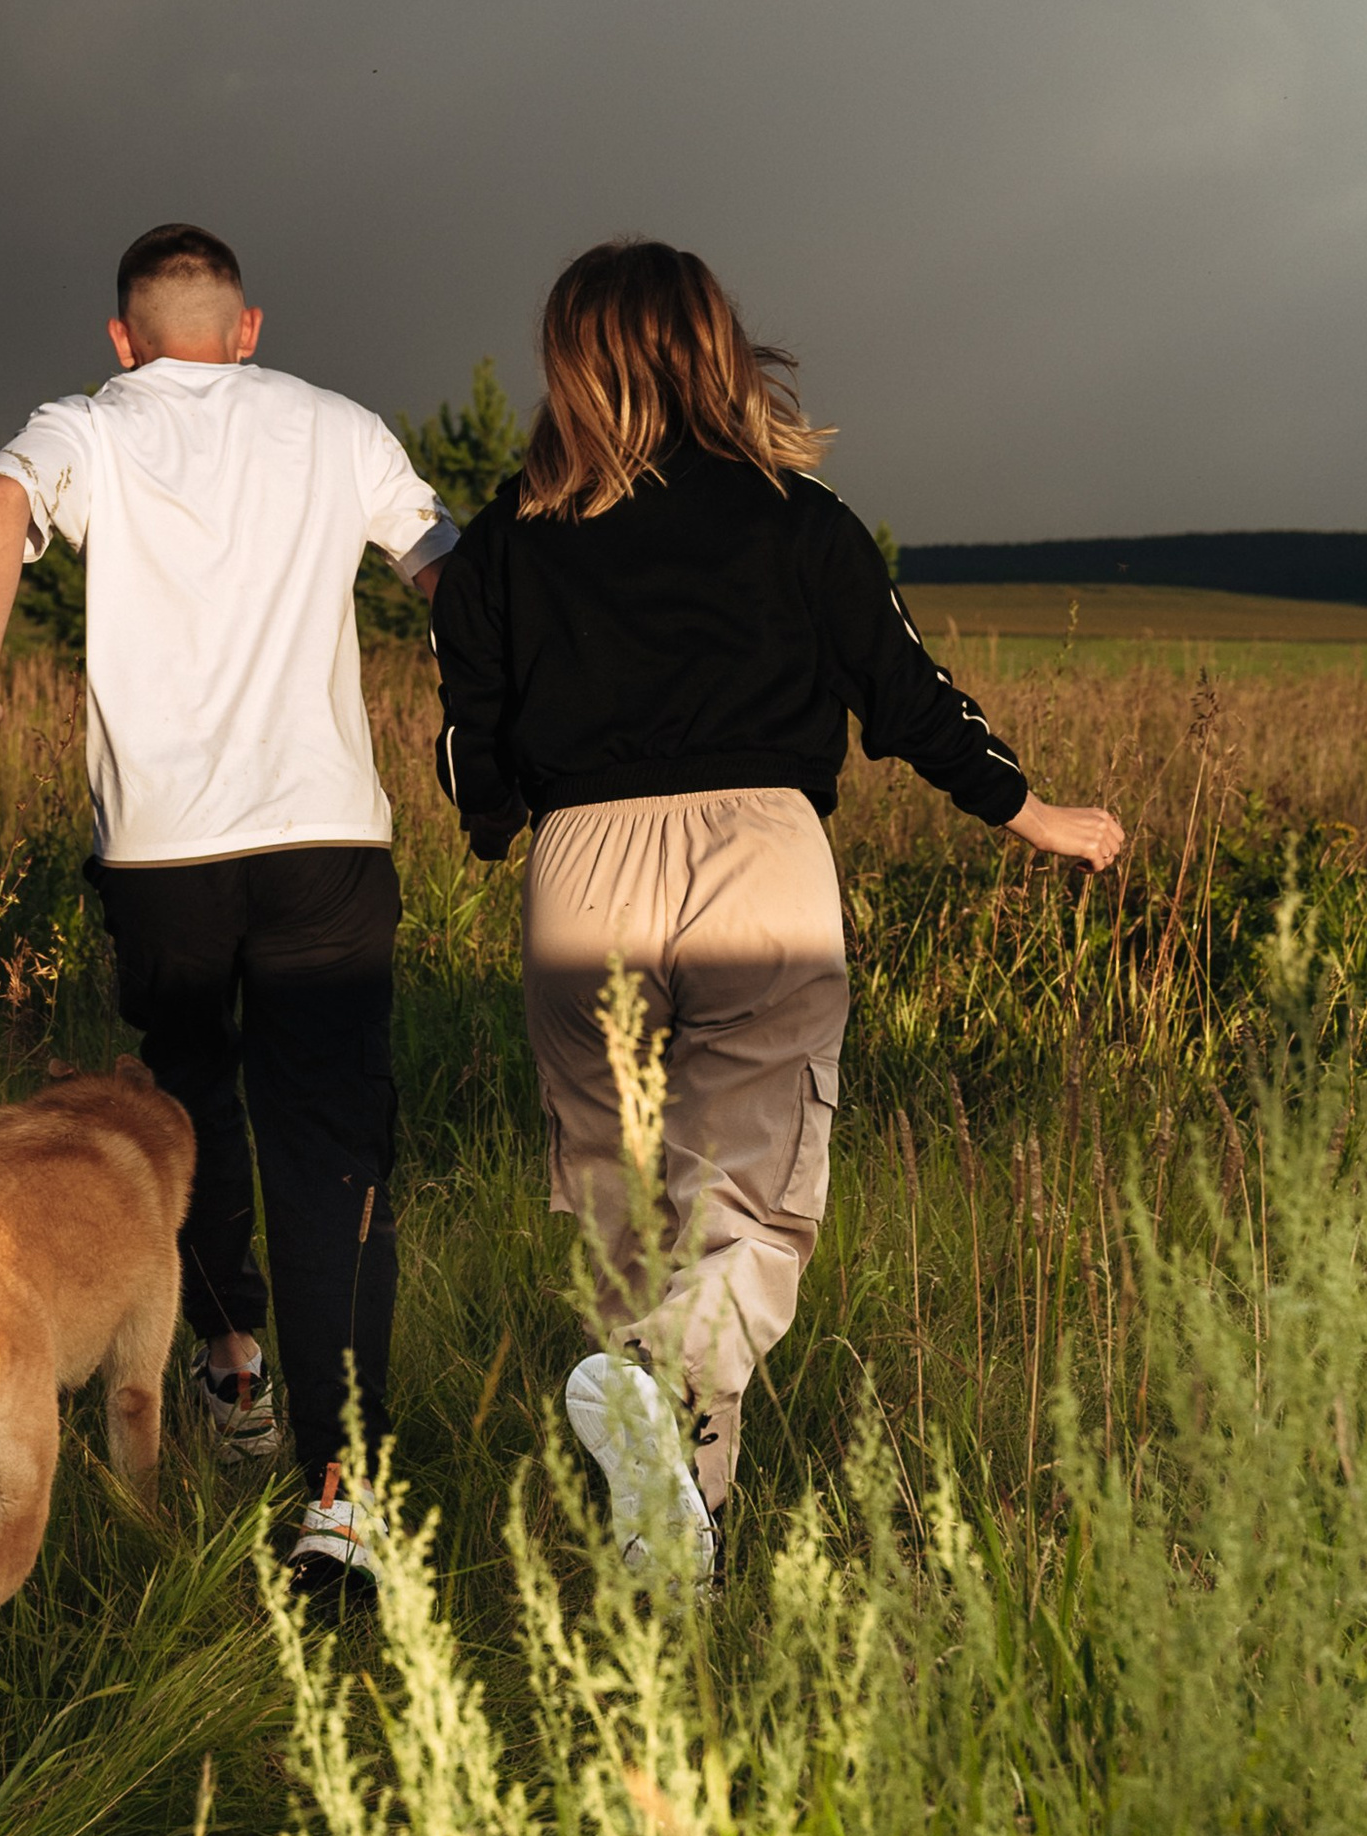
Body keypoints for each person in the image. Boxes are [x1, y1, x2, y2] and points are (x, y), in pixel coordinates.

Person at [429, 235, 1124, 1577]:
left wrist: (494, 820)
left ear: (567, 365)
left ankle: (672, 1549)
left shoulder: (509, 537)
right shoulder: (801, 522)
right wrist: (1030, 814)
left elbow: (474, 741)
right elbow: (906, 695)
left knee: (630, 1216)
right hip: (762, 860)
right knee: (745, 1209)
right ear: (717, 348)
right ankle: (660, 1395)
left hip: (583, 873)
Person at [0, 221, 458, 1593]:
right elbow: (444, 566)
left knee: (186, 1100)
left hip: (164, 850)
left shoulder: (89, 427)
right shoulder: (340, 427)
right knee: (333, 1141)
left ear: (123, 338)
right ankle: (342, 1494)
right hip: (327, 832)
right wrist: (490, 709)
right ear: (247, 326)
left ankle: (230, 1366)